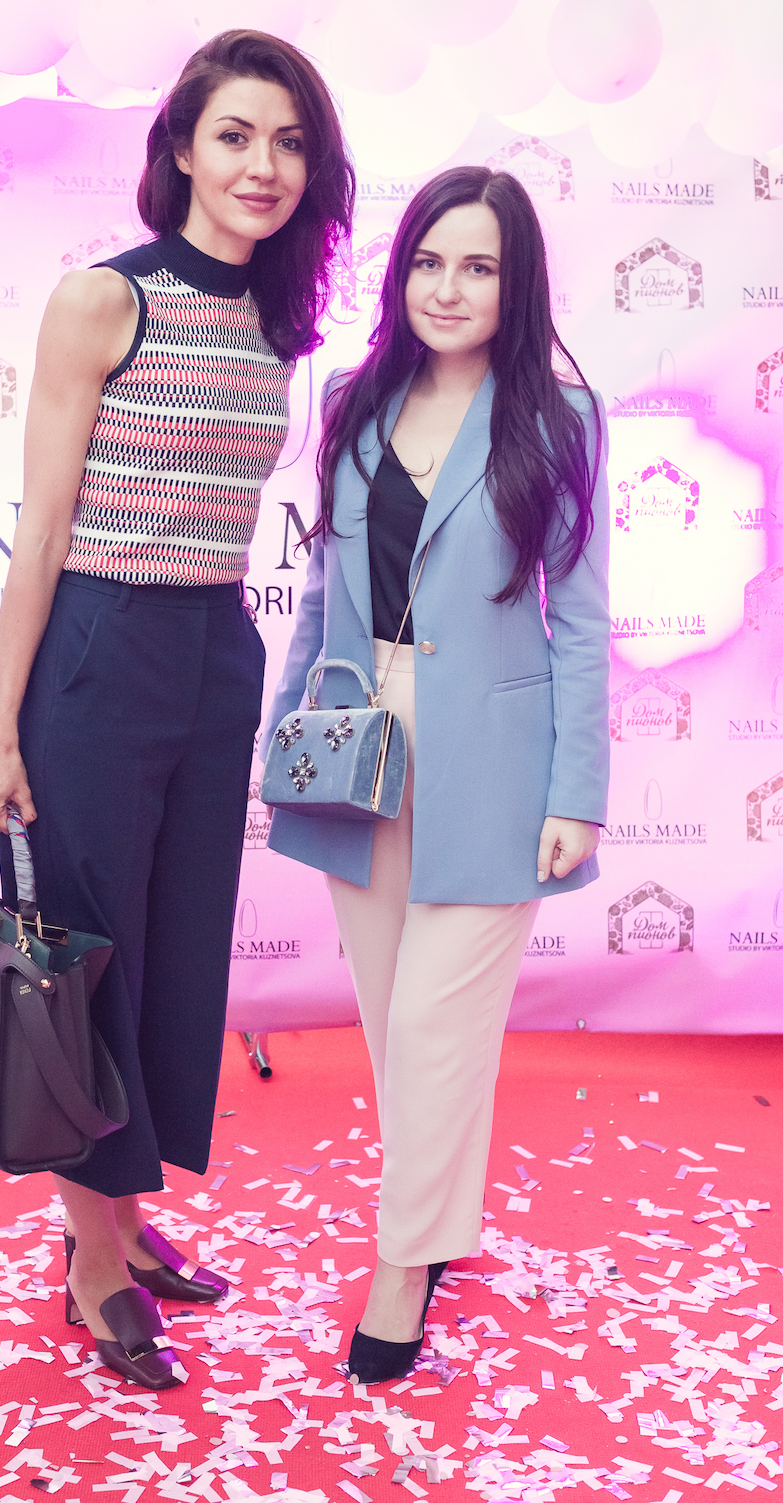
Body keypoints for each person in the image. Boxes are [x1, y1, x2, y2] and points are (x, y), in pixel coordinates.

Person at [0, 30, 354, 1390]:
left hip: (213, 654)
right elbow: (40, 528)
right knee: (89, 960)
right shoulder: (102, 300)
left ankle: (121, 1220)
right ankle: (92, 1263)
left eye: (289, 141)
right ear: (181, 147)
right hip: (99, 648)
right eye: (235, 135)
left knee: (175, 953)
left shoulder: (277, 322)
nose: (263, 165)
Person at [262, 165, 610, 1385]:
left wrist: (576, 793)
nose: (446, 288)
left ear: (516, 285)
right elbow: (322, 589)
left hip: (498, 764)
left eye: (477, 266)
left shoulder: (559, 418)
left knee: (430, 1026)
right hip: (357, 747)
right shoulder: (355, 400)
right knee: (395, 1030)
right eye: (426, 262)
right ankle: (439, 1224)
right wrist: (282, 742)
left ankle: (401, 1265)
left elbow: (579, 619)